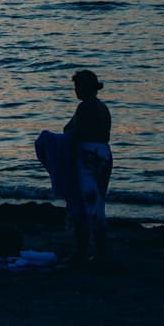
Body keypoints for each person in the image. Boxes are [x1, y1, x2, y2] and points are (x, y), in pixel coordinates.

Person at [64, 69, 112, 264]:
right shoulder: (103, 107)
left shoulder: (84, 107)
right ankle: (99, 250)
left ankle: (84, 252)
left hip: (88, 156)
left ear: (84, 88)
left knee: (85, 204)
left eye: (77, 87)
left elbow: (76, 132)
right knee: (97, 203)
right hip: (104, 154)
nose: (75, 91)